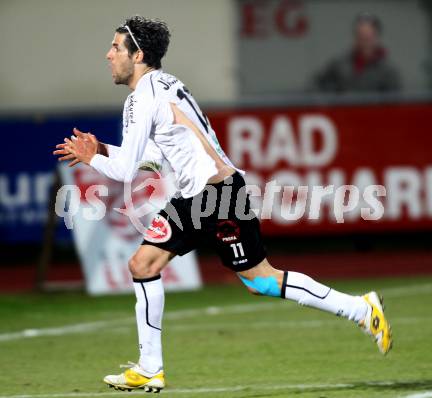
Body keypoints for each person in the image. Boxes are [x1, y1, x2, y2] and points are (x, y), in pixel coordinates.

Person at [54, 16, 392, 394]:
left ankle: (361, 309)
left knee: (261, 281)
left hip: (219, 197)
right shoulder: (164, 85)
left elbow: (125, 170)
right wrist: (98, 149)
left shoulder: (141, 98)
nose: (108, 54)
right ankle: (150, 368)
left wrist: (91, 158)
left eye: (116, 47)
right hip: (200, 195)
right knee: (143, 264)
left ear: (138, 55)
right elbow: (150, 162)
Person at [313, 13, 401, 92]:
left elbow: (395, 100)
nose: (364, 42)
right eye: (360, 37)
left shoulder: (388, 70)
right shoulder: (339, 64)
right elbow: (316, 84)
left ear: (376, 37)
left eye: (368, 38)